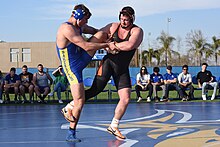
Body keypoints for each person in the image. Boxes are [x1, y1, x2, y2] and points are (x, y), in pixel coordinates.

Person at [62, 6, 143, 140]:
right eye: (122, 19)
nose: (123, 22)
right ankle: (70, 105)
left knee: (126, 98)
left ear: (132, 19)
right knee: (95, 90)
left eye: (126, 20)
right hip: (107, 64)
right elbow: (99, 33)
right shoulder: (113, 26)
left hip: (122, 69)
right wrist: (106, 43)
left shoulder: (137, 31)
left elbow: (130, 45)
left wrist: (112, 45)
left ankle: (114, 125)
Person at [56, 4, 117, 142]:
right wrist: (106, 46)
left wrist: (106, 38)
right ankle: (71, 131)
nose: (86, 23)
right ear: (78, 16)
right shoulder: (66, 28)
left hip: (80, 57)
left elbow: (95, 31)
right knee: (80, 101)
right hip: (71, 66)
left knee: (101, 33)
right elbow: (86, 45)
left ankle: (69, 113)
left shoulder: (80, 25)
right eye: (85, 19)